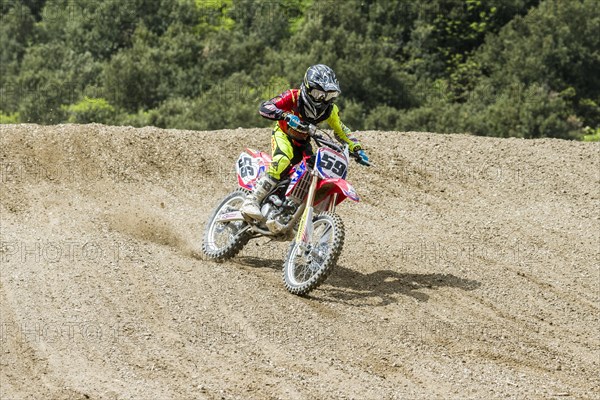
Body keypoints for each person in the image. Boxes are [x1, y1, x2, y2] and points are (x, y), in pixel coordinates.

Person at [241, 64, 369, 220]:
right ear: (308, 88)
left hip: (303, 142)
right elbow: (265, 107)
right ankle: (252, 200)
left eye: (328, 95)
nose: (323, 100)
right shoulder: (293, 96)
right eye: (318, 94)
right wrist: (286, 116)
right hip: (284, 134)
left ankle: (292, 207)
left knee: (314, 171)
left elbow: (342, 130)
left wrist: (357, 148)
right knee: (282, 160)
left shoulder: (330, 110)